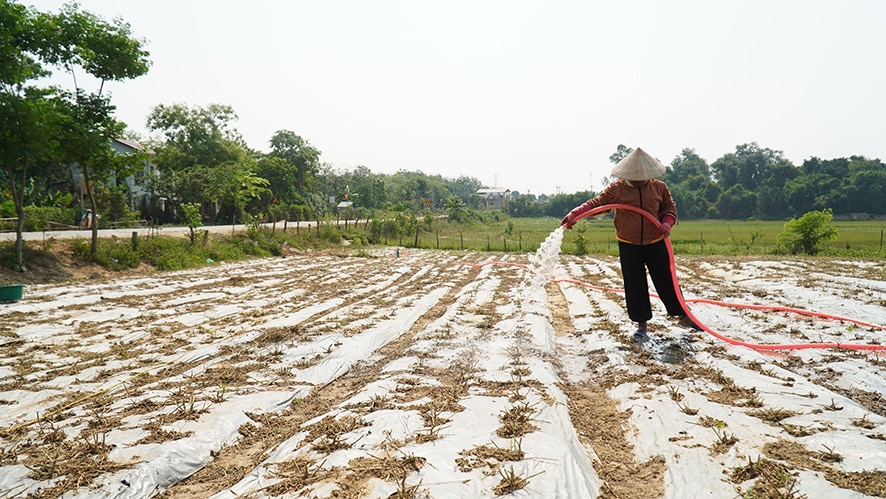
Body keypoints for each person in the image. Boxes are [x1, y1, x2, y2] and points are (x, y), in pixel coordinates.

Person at [560, 147, 699, 339]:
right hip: (629, 242)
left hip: (656, 240)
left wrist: (667, 223)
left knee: (667, 279)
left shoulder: (659, 187)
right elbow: (597, 204)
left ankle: (684, 316)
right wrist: (575, 214)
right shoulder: (617, 189)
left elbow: (669, 208)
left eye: (643, 177)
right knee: (634, 282)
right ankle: (642, 324)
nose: (639, 180)